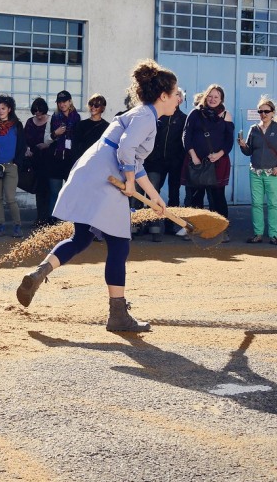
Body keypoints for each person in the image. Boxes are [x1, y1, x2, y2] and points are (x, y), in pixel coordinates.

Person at [16, 59, 177, 332]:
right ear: (163, 96)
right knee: (119, 245)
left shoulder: (140, 114)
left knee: (81, 237)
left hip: (91, 171)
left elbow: (134, 161)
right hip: (106, 178)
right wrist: (128, 182)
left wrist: (153, 195)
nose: (178, 100)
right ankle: (118, 316)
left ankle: (39, 272)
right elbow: (126, 151)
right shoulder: (147, 117)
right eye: (175, 94)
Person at [237, 97, 277, 245]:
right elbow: (248, 152)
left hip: (274, 173)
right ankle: (258, 234)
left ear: (273, 112)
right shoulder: (254, 129)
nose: (263, 114)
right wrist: (243, 145)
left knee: (274, 204)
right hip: (255, 172)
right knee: (256, 204)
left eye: (266, 111)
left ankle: (274, 235)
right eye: (260, 111)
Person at [182, 84, 234, 242]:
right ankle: (193, 230)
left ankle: (220, 230)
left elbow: (229, 140)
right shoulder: (195, 113)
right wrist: (193, 156)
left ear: (221, 99)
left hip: (218, 163)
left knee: (217, 198)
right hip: (196, 162)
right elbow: (186, 135)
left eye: (216, 97)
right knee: (195, 198)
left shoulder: (226, 115)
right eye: (210, 96)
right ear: (205, 96)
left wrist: (219, 154)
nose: (212, 100)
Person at [144, 87, 186, 241]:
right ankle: (149, 223)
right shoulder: (160, 116)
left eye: (179, 96)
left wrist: (180, 158)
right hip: (157, 162)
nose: (177, 99)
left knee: (174, 194)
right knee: (153, 193)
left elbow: (184, 142)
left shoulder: (184, 118)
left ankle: (170, 224)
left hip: (175, 162)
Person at [0, 95, 26, 238]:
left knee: (10, 198)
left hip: (11, 166)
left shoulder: (17, 125)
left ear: (9, 109)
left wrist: (17, 163)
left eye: (3, 108)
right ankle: (1, 226)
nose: (0, 111)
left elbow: (22, 146)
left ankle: (17, 226)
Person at [48, 90, 81, 217]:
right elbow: (48, 139)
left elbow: (78, 139)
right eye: (60, 102)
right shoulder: (54, 117)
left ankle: (68, 222)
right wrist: (56, 133)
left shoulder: (77, 117)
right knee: (55, 193)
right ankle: (52, 223)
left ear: (70, 101)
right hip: (56, 158)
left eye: (65, 101)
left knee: (70, 192)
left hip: (70, 159)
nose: (62, 105)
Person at [23, 97, 52, 228]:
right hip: (34, 159)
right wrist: (26, 149)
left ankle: (48, 218)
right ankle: (40, 218)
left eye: (40, 112)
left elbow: (55, 139)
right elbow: (23, 139)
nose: (38, 115)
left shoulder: (51, 120)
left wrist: (47, 145)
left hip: (48, 159)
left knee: (48, 190)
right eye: (35, 112)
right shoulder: (30, 122)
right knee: (38, 190)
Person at [73, 94, 109, 159]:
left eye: (96, 105)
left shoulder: (106, 126)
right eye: (91, 104)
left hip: (98, 161)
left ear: (102, 108)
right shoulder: (81, 125)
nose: (93, 107)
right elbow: (75, 147)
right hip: (83, 160)